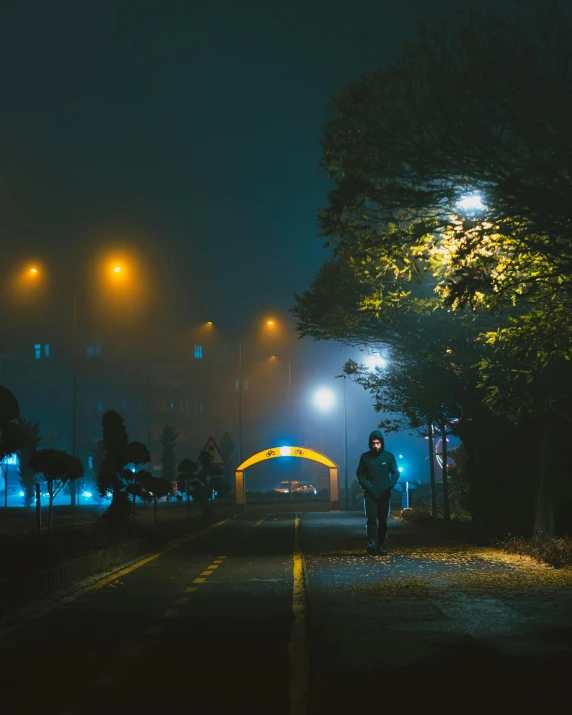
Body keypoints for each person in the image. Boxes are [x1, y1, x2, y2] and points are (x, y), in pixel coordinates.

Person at [356, 430, 399, 556]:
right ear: (370, 444)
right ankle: (372, 543)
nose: (376, 446)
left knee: (383, 520)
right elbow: (360, 473)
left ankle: (381, 544)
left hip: (384, 493)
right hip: (370, 493)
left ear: (382, 443)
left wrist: (390, 485)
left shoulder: (389, 456)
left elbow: (395, 472)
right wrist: (365, 485)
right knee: (371, 519)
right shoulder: (365, 457)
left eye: (378, 443)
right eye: (374, 443)